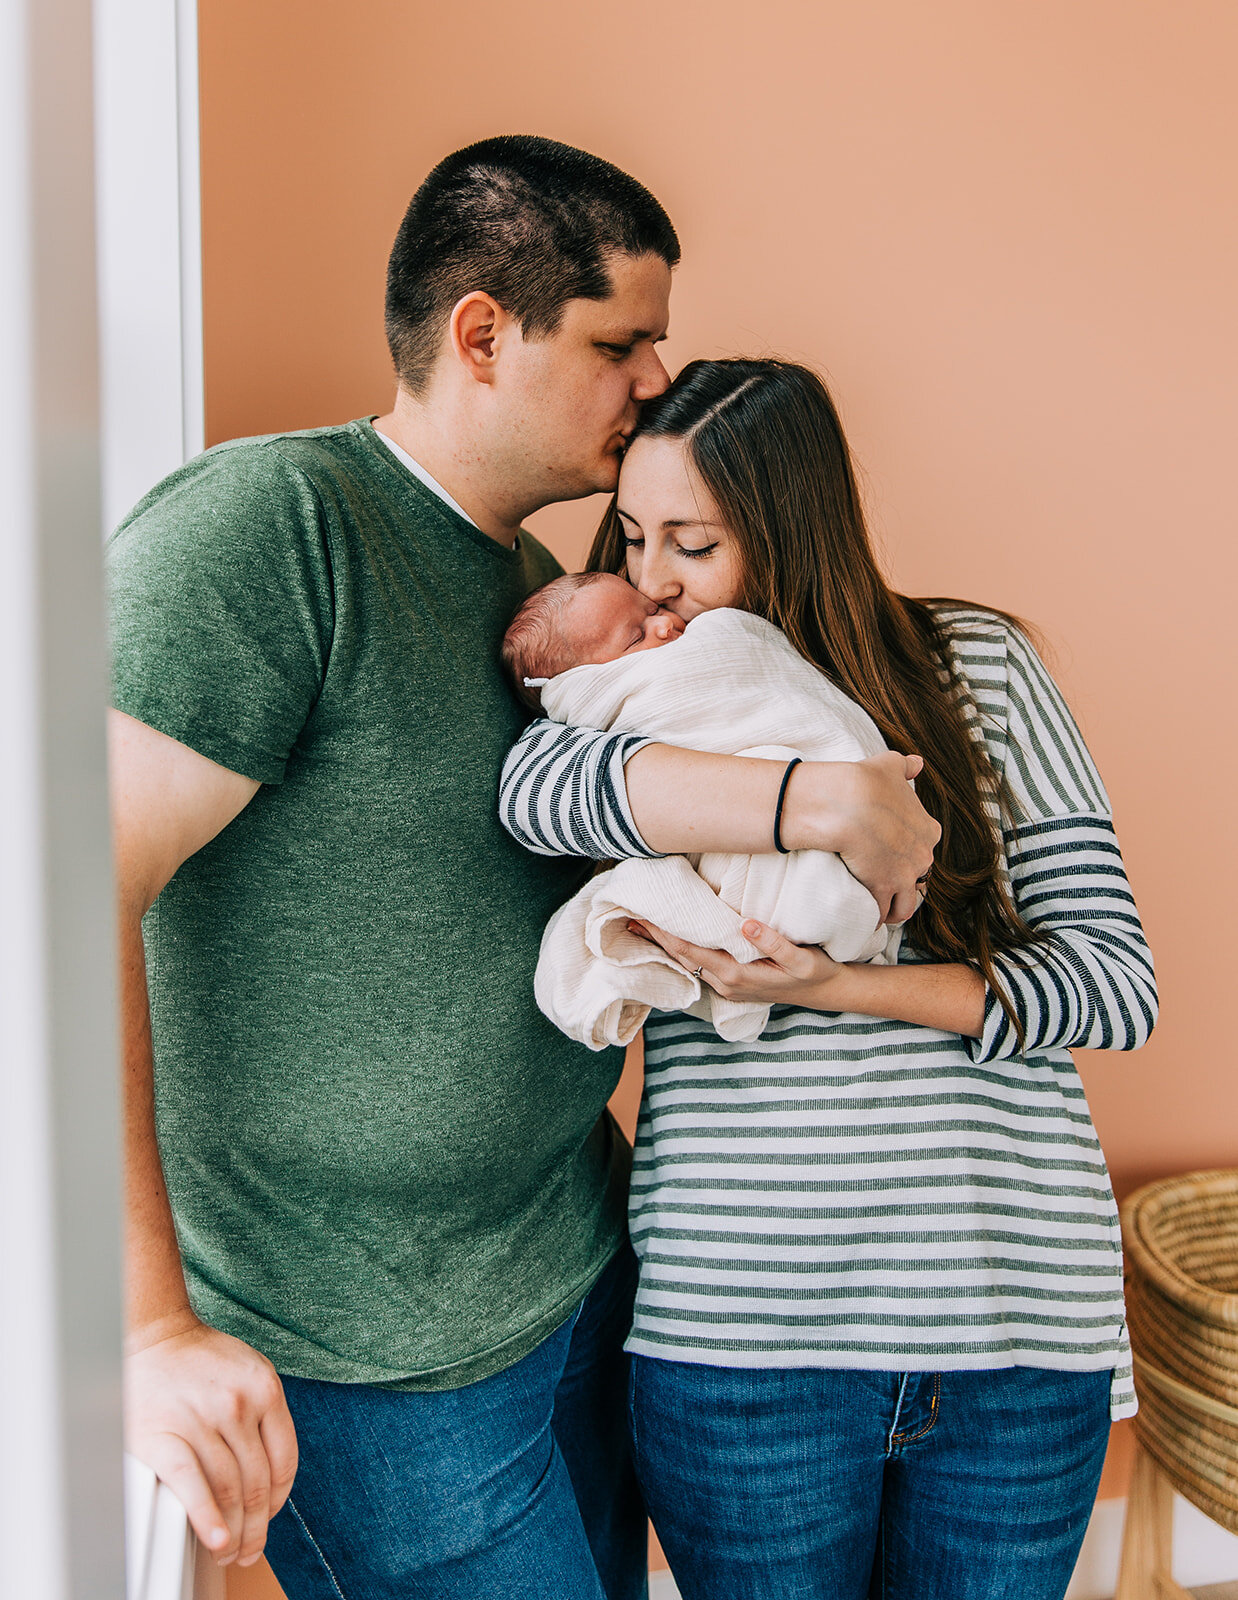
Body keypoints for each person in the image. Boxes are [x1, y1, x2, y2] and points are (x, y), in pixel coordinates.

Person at [108, 137, 939, 1599]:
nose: (651, 382)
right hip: (378, 1350)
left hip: (575, 1260)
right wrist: (144, 1330)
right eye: (622, 340)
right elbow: (59, 897)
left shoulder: (547, 601)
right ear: (483, 333)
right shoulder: (274, 529)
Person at [499, 357, 1158, 1600]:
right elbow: (528, 795)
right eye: (633, 535)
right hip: (744, 1341)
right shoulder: (632, 694)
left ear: (790, 527)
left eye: (692, 542)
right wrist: (812, 800)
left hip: (1011, 1332)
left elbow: (1111, 984)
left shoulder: (977, 666)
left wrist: (832, 985)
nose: (649, 578)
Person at [501, 572, 901, 1051]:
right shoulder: (587, 722)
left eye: (648, 610)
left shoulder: (723, 638)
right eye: (635, 636)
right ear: (585, 683)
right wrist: (836, 805)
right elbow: (527, 797)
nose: (665, 623)